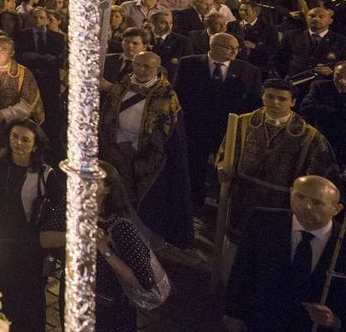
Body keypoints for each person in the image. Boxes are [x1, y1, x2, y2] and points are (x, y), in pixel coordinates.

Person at [225, 175, 346, 332]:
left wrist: (336, 321)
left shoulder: (342, 242)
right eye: (300, 196)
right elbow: (242, 269)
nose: (306, 206)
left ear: (336, 209)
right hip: (263, 327)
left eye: (317, 202)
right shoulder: (263, 221)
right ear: (290, 192)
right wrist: (233, 313)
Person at [223, 80, 342, 244]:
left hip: (281, 203)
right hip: (243, 198)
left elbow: (320, 176)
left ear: (293, 102)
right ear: (262, 97)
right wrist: (223, 169)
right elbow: (227, 153)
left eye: (282, 99)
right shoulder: (242, 123)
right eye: (270, 97)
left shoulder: (310, 137)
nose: (275, 102)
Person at [0, 119, 65, 332]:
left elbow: (61, 208)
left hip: (32, 247)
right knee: (6, 292)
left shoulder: (45, 174)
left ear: (35, 145)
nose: (18, 143)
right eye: (15, 137)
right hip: (4, 243)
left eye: (25, 140)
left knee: (31, 298)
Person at [98, 51, 192, 246]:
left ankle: (142, 239)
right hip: (116, 149)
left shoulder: (166, 94)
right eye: (137, 65)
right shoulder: (121, 86)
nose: (141, 70)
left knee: (146, 201)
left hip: (148, 157)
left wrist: (135, 146)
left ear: (157, 69)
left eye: (147, 67)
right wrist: (121, 141)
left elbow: (165, 129)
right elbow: (108, 117)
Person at [173, 32, 262, 208]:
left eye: (237, 48)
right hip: (196, 128)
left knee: (225, 171)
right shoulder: (188, 64)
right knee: (194, 168)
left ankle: (222, 207)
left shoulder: (250, 71)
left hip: (228, 130)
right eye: (230, 48)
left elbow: (254, 104)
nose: (235, 52)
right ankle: (194, 205)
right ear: (213, 46)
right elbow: (178, 95)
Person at [95, 160, 166, 332]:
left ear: (107, 189)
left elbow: (144, 280)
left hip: (111, 311)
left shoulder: (122, 227)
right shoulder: (78, 216)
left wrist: (104, 250)